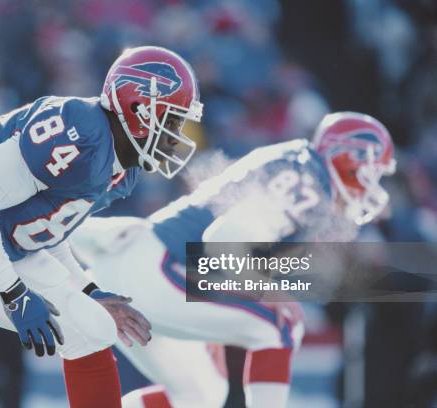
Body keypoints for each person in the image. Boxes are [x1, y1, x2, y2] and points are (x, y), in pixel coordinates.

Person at [0, 46, 203, 408]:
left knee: (92, 329)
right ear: (137, 106)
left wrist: (87, 289)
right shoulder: (79, 129)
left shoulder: (122, 168)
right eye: (171, 119)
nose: (176, 134)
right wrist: (14, 294)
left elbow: (46, 230)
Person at [61, 112, 396, 408]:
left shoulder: (297, 162)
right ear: (350, 158)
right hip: (153, 267)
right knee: (280, 325)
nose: (374, 186)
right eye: (375, 172)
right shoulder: (307, 182)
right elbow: (223, 238)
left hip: (136, 266)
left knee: (200, 396)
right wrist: (265, 291)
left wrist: (219, 316)